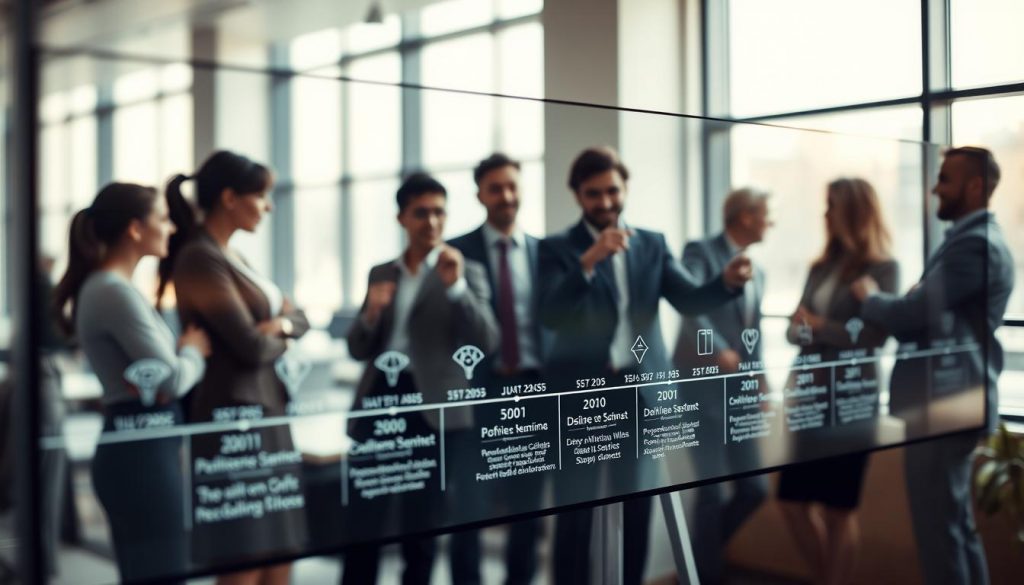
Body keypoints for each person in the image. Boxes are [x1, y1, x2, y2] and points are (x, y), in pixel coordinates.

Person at [538, 146, 752, 585]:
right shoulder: (557, 249)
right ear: (577, 195)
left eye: (612, 191)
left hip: (643, 395)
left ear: (625, 188)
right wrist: (589, 261)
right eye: (593, 194)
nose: (605, 202)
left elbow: (689, 299)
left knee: (638, 505)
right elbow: (550, 315)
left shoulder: (651, 243)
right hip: (582, 399)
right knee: (574, 512)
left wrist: (726, 282)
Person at [852, 147, 1015, 585]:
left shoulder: (975, 246)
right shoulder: (969, 241)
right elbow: (930, 316)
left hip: (947, 403)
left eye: (944, 178)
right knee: (955, 528)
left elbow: (914, 315)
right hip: (951, 401)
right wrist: (910, 305)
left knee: (939, 533)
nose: (934, 188)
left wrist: (872, 298)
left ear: (975, 186)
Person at [162, 151, 310, 585]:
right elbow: (248, 346)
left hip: (268, 412)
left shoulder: (235, 257)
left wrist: (279, 325)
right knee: (244, 553)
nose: (269, 206)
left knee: (281, 550)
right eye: (261, 196)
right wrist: (279, 331)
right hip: (235, 419)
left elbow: (297, 316)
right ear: (229, 198)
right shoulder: (198, 258)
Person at [343, 172, 498, 585]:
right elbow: (357, 348)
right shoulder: (381, 273)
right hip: (381, 399)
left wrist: (456, 287)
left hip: (435, 409)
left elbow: (487, 340)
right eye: (421, 213)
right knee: (363, 520)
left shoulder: (467, 271)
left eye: (439, 213)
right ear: (402, 218)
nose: (431, 222)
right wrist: (371, 313)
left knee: (423, 525)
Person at [52, 182, 212, 583]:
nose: (171, 228)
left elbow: (159, 375)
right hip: (141, 458)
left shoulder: (109, 288)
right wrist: (194, 350)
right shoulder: (113, 291)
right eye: (162, 218)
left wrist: (172, 364)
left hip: (140, 450)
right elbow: (171, 378)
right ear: (135, 229)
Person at [777, 178, 898, 585]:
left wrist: (819, 326)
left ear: (852, 211)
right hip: (809, 396)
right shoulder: (819, 267)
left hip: (851, 400)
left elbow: (873, 337)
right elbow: (792, 332)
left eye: (831, 206)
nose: (825, 214)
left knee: (839, 509)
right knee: (791, 502)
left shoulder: (884, 268)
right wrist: (820, 328)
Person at [447, 154, 547, 585]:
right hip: (476, 396)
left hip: (533, 393)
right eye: (495, 188)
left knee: (528, 511)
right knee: (467, 509)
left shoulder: (545, 253)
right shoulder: (454, 254)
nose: (506, 196)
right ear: (479, 195)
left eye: (512, 186)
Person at [674, 187, 773, 584]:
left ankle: (698, 562)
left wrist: (761, 379)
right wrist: (716, 349)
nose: (771, 222)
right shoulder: (700, 252)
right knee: (711, 493)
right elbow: (691, 303)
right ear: (746, 216)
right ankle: (705, 576)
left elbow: (754, 332)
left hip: (741, 395)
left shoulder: (759, 270)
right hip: (703, 389)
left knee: (755, 490)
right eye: (767, 214)